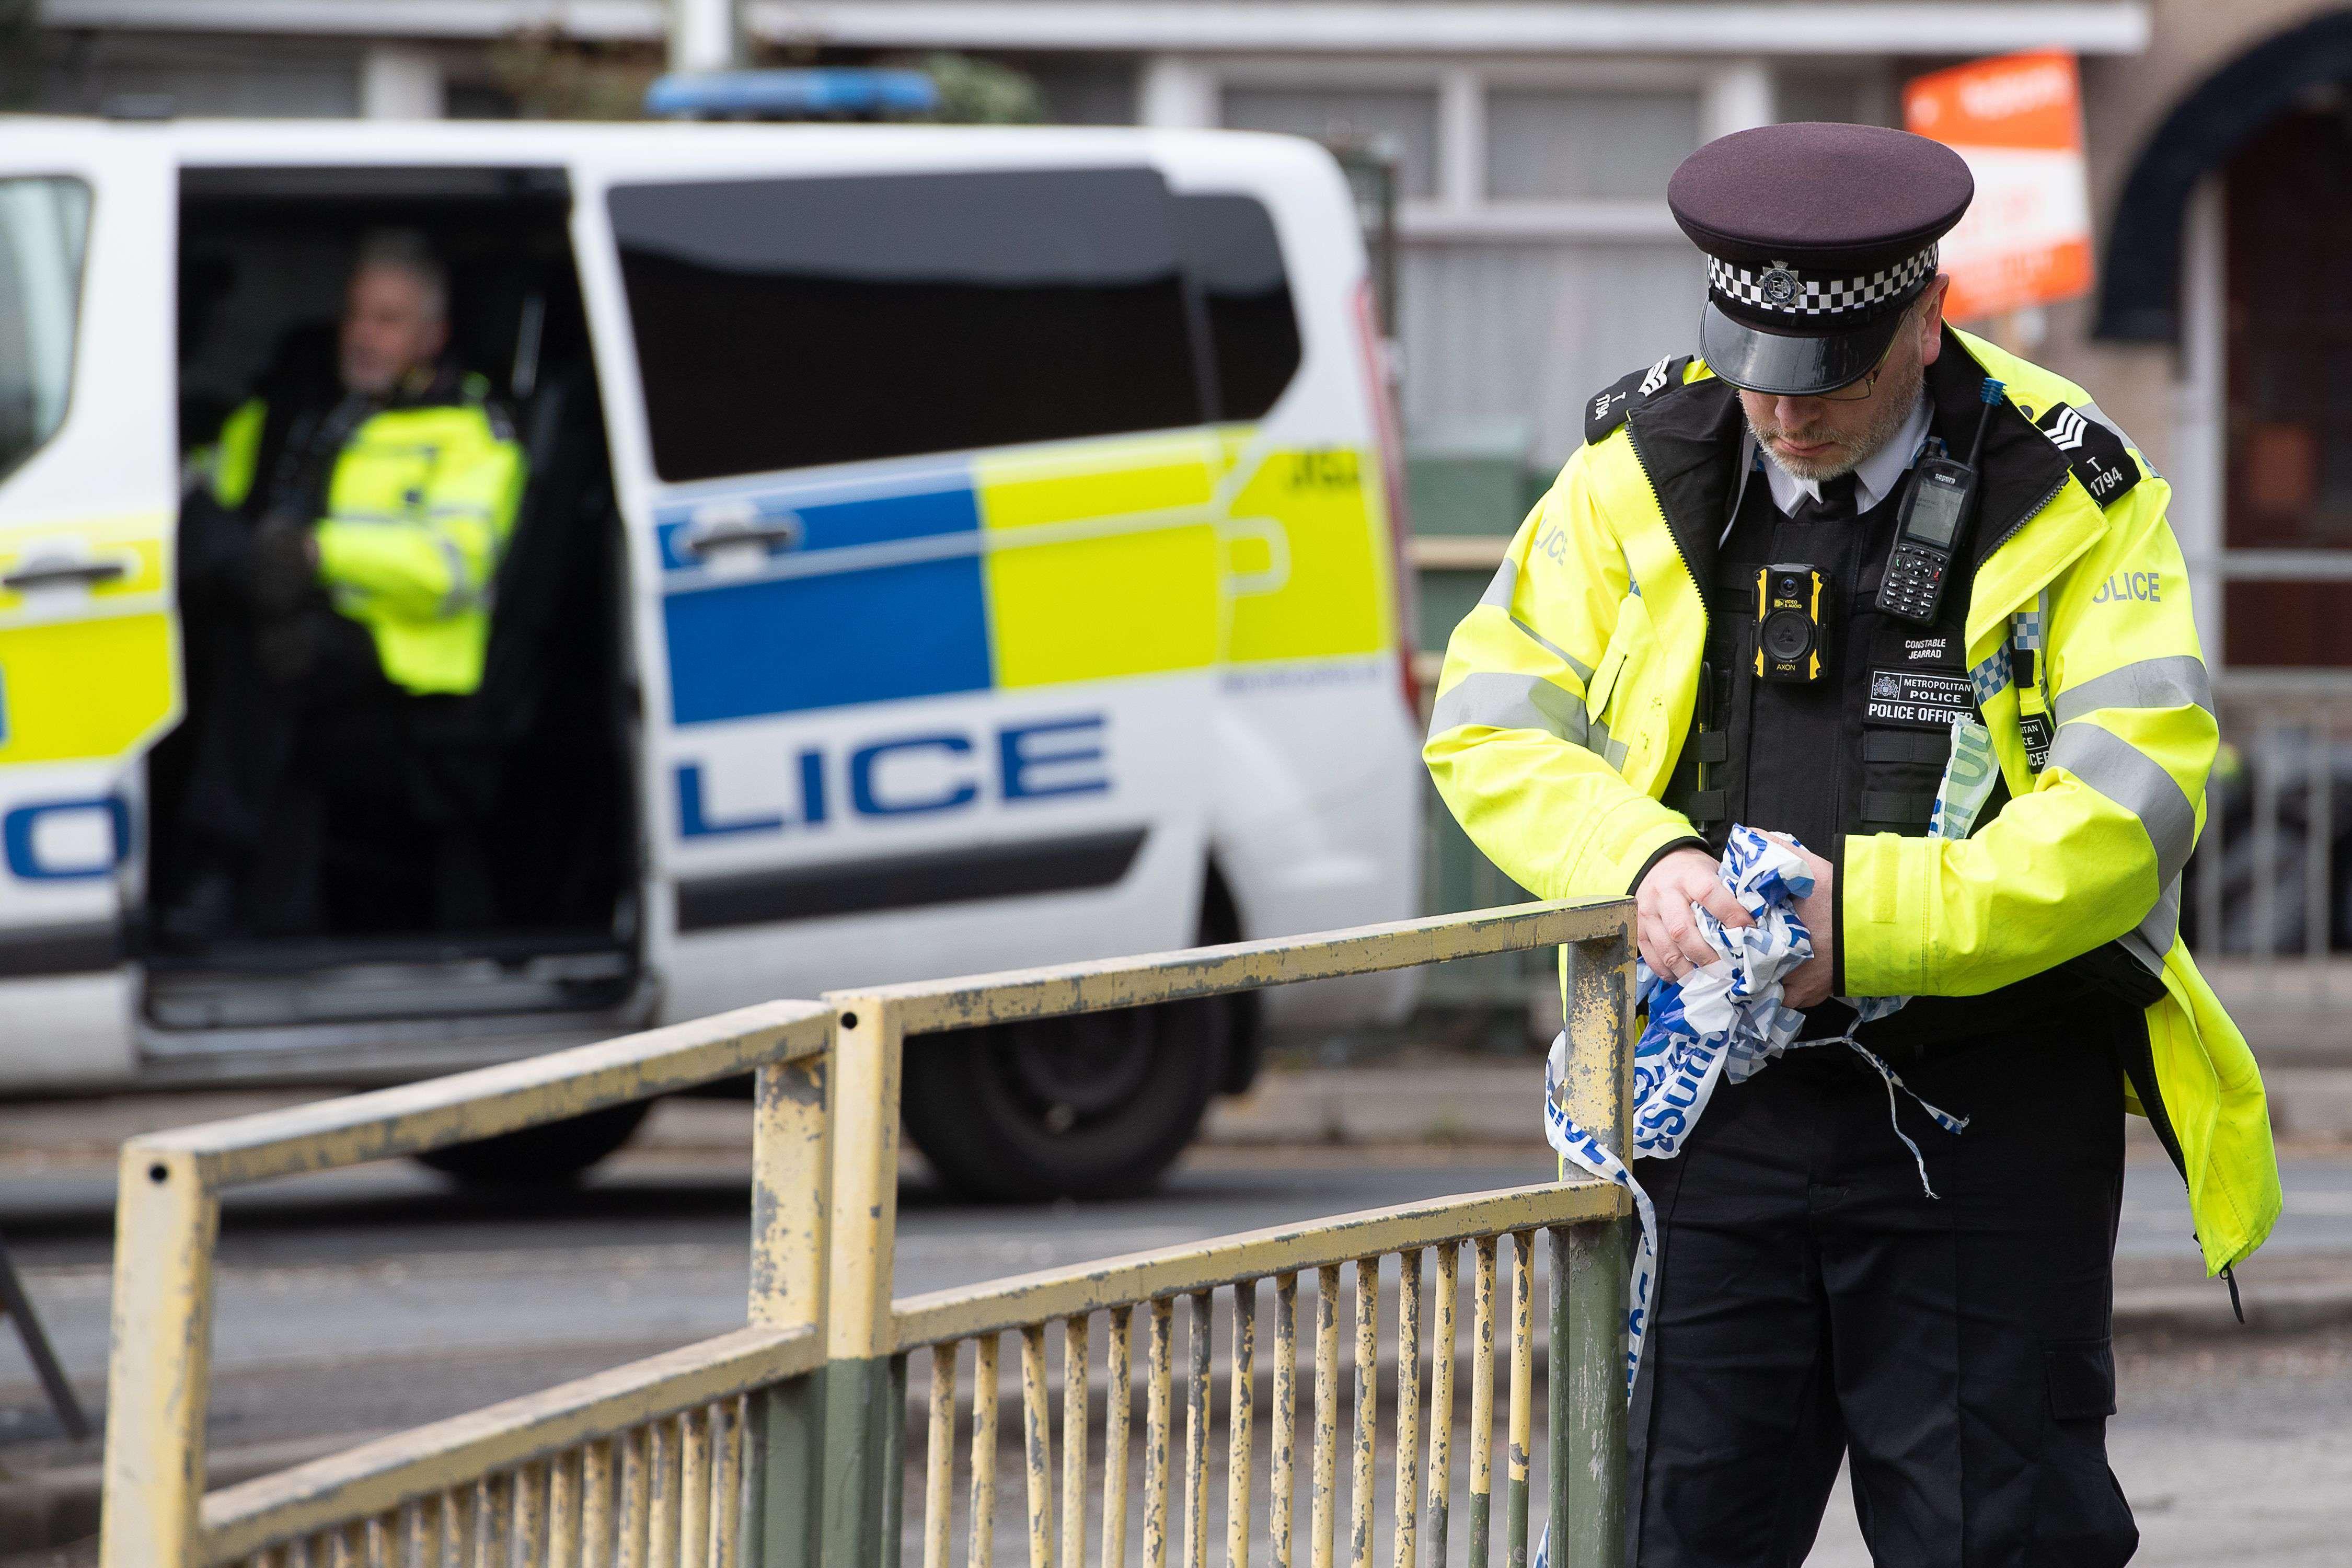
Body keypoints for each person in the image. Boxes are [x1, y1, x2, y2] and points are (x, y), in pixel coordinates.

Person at [1425, 123, 2280, 1566]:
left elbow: (2136, 800)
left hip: (1983, 1126)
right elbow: (1486, 718)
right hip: (1701, 1124)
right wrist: (1639, 860)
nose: (1778, 412)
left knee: (1991, 1536)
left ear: (1926, 318)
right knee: (1664, 1533)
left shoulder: (2069, 484)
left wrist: (1861, 924)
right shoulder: (1640, 462)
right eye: (1748, 365)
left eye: (1822, 378)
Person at [166, 229, 526, 943]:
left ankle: (215, 870)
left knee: (269, 646)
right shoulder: (316, 406)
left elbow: (449, 569)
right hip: (303, 620)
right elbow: (212, 483)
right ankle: (237, 895)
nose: (362, 335)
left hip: (407, 650)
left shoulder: (470, 433)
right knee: (218, 610)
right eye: (357, 315)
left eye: (388, 320)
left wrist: (315, 554)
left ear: (433, 336)